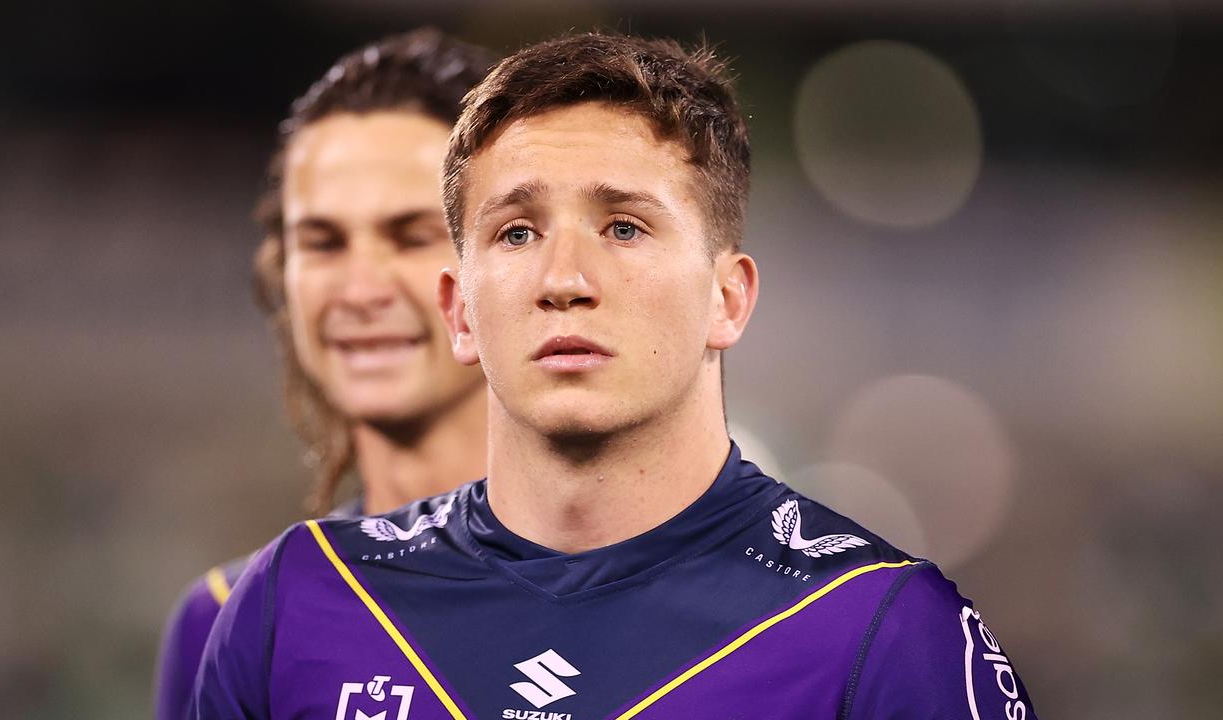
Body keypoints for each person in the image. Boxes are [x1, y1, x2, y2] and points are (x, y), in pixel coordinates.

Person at [193, 32, 1037, 720]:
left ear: (728, 298)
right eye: (517, 233)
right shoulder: (298, 603)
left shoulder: (877, 635)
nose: (565, 278)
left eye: (624, 227)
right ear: (458, 311)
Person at [153, 29, 498, 720]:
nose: (360, 289)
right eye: (323, 242)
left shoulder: (702, 612)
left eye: (412, 234)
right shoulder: (230, 622)